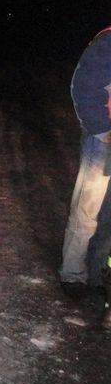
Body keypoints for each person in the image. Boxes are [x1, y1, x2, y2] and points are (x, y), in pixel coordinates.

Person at [61, 27, 111, 306]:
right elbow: (82, 85)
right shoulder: (108, 43)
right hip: (103, 142)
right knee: (88, 209)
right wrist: (102, 129)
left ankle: (96, 273)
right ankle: (73, 273)